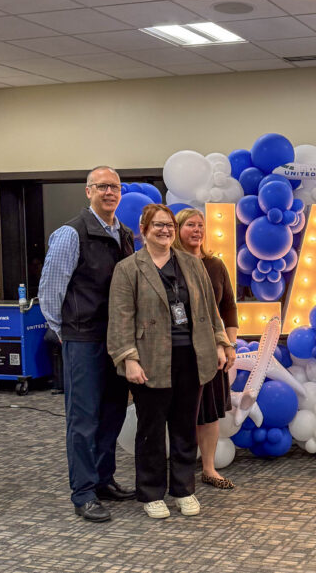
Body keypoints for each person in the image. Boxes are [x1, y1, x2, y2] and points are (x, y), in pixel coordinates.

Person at [107, 204, 231, 519]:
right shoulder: (128, 268)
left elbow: (210, 311)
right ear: (144, 229)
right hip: (150, 360)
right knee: (150, 429)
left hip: (192, 357)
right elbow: (120, 320)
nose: (165, 231)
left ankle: (183, 490)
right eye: (158, 225)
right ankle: (151, 494)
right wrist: (128, 360)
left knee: (184, 428)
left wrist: (220, 342)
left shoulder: (192, 264)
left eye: (169, 226)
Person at [39, 166, 136, 523]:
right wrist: (62, 331)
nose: (110, 192)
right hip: (82, 339)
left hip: (116, 341)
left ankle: (104, 479)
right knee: (83, 419)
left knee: (111, 413)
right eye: (102, 187)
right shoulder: (71, 233)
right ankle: (82, 493)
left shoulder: (124, 233)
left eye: (115, 187)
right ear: (88, 192)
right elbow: (50, 291)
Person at [174, 208, 238, 489]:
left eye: (201, 225)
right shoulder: (170, 264)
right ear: (177, 229)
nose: (197, 230)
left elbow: (229, 308)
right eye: (190, 225)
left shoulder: (215, 265)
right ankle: (182, 472)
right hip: (182, 351)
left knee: (209, 412)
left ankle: (209, 469)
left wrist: (230, 344)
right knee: (184, 412)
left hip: (215, 352)